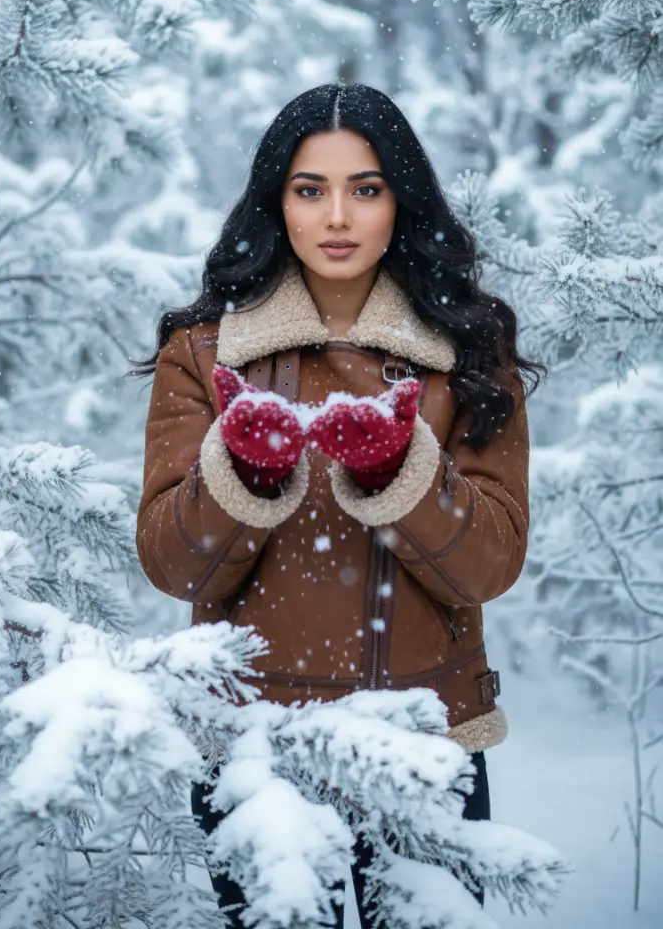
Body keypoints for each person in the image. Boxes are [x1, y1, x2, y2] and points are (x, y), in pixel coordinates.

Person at [132, 83, 543, 927]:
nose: (337, 216)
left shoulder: (468, 349)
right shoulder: (206, 353)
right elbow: (173, 565)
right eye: (309, 189)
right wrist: (241, 477)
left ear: (402, 198)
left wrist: (406, 471)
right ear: (276, 201)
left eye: (366, 187)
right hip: (255, 753)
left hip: (426, 746)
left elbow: (491, 563)